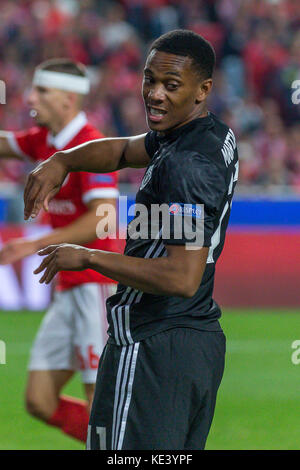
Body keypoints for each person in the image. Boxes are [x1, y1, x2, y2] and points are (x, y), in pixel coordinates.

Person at [23, 30, 239, 450]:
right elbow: (122, 152)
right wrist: (63, 160)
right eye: (149, 79)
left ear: (203, 90)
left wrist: (86, 257)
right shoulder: (204, 134)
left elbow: (180, 276)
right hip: (192, 343)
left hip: (153, 345)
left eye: (170, 85)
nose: (154, 94)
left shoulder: (186, 165)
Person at [0, 59, 119, 443]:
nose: (31, 97)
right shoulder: (43, 140)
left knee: (99, 401)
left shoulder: (91, 144)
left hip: (95, 285)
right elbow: (5, 143)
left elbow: (103, 219)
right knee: (39, 400)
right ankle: (125, 443)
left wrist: (34, 242)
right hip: (67, 286)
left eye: (42, 91)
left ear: (68, 99)